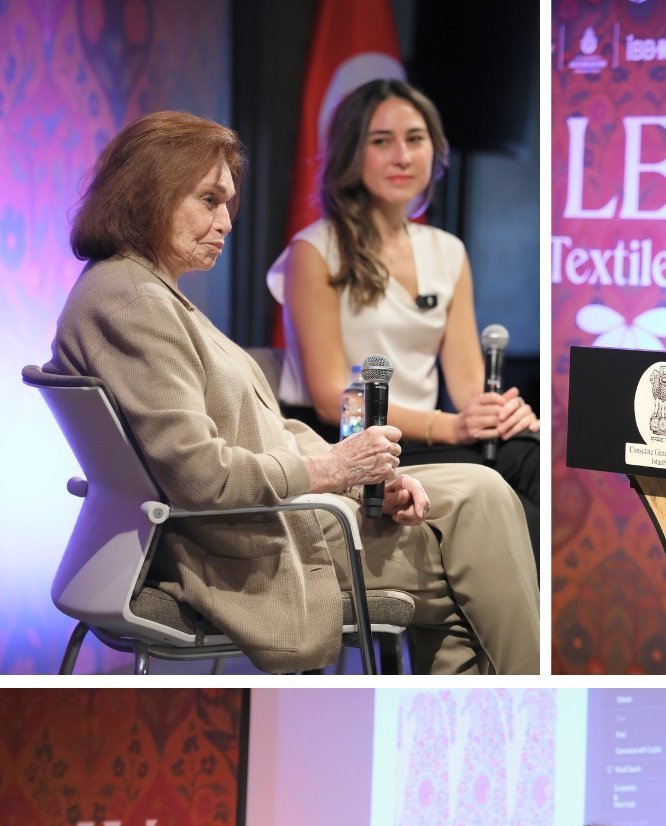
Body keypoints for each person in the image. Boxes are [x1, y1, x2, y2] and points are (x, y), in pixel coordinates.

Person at [44, 110, 539, 676]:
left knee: (480, 489)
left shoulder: (147, 291)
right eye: (209, 200)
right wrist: (333, 470)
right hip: (244, 547)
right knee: (478, 531)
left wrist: (357, 476)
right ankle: (531, 698)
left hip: (266, 518)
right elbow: (203, 477)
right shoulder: (131, 301)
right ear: (149, 193)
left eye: (228, 204)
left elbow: (264, 430)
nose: (226, 221)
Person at [268, 78, 541, 570]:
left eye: (415, 139)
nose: (401, 156)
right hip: (351, 441)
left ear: (434, 150)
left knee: (533, 456)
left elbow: (469, 385)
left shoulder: (447, 251)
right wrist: (450, 425)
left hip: (433, 436)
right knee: (506, 503)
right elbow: (334, 398)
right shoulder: (315, 250)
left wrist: (498, 414)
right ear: (352, 153)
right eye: (381, 141)